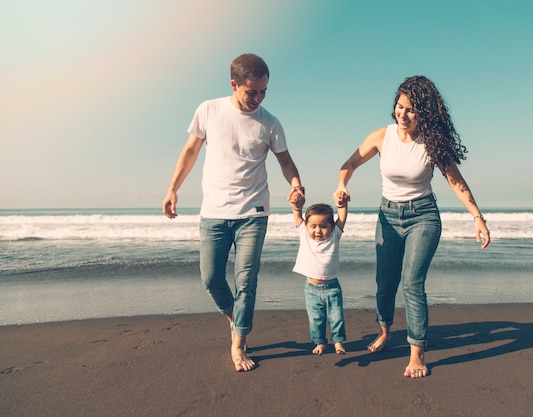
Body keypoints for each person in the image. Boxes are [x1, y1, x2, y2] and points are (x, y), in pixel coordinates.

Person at [333, 75, 490, 378]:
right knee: (385, 282)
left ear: (425, 113)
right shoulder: (383, 136)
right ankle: (385, 331)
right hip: (388, 216)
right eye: (399, 107)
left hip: (423, 217)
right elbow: (349, 164)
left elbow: (456, 183)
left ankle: (416, 352)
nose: (402, 115)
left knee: (412, 282)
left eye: (411, 110)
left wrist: (477, 217)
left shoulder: (432, 143)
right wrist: (341, 185)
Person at [162, 53, 305, 372]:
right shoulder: (209, 110)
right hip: (213, 211)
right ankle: (234, 318)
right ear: (234, 84)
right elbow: (189, 151)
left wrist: (296, 183)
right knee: (211, 278)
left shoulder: (270, 122)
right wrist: (173, 188)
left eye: (264, 91)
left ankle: (239, 342)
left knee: (246, 281)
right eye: (251, 91)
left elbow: (285, 161)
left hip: (254, 212)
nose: (258, 98)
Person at [291, 196, 348, 356]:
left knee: (336, 317)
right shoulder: (303, 233)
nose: (318, 230)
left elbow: (342, 216)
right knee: (316, 319)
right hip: (311, 289)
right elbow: (297, 214)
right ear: (306, 226)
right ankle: (319, 343)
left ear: (331, 226)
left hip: (333, 288)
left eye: (323, 226)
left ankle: (338, 342)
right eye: (313, 226)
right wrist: (296, 205)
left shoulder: (335, 235)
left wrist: (342, 203)